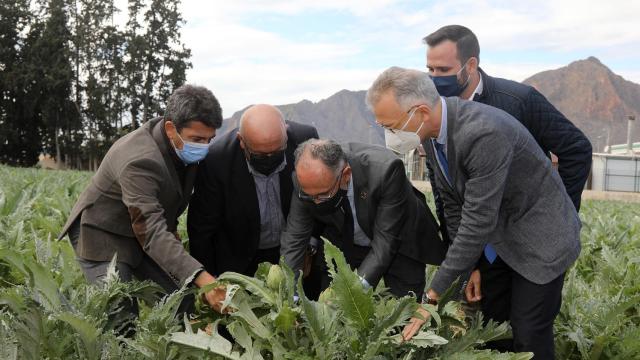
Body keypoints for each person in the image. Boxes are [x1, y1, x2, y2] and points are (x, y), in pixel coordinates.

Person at [367, 67, 581, 358]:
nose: (390, 136)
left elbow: (477, 220)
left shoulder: (483, 133)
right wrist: (472, 268)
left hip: (539, 240)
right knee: (493, 327)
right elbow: (454, 205)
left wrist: (432, 296)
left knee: (528, 335)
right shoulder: (430, 134)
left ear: (420, 112)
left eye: (391, 127)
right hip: (498, 240)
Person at [423, 25, 592, 353]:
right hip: (485, 246)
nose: (433, 78)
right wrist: (467, 262)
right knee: (495, 333)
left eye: (442, 70)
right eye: (428, 69)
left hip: (533, 241)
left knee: (529, 334)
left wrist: (563, 210)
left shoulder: (518, 101)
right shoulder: (433, 118)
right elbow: (446, 197)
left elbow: (576, 149)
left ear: (470, 66)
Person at [58, 84, 228, 322]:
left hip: (143, 230)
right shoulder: (139, 160)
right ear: (171, 129)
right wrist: (203, 277)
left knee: (181, 301)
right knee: (121, 315)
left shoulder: (180, 145)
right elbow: (149, 229)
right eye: (197, 139)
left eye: (209, 139)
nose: (204, 147)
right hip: (104, 233)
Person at [280, 139, 444, 298]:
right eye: (310, 196)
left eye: (323, 195)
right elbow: (295, 236)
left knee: (404, 308)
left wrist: (352, 294)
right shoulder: (305, 180)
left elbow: (385, 243)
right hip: (344, 239)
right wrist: (290, 294)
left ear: (346, 174)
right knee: (330, 306)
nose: (315, 202)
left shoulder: (385, 170)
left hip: (399, 240)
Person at [188, 104, 322, 297]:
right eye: (260, 155)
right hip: (241, 258)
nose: (269, 159)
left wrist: (309, 246)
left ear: (286, 133)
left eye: (276, 152)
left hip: (296, 250)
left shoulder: (306, 140)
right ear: (241, 141)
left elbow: (317, 196)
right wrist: (208, 283)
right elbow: (202, 228)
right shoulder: (217, 160)